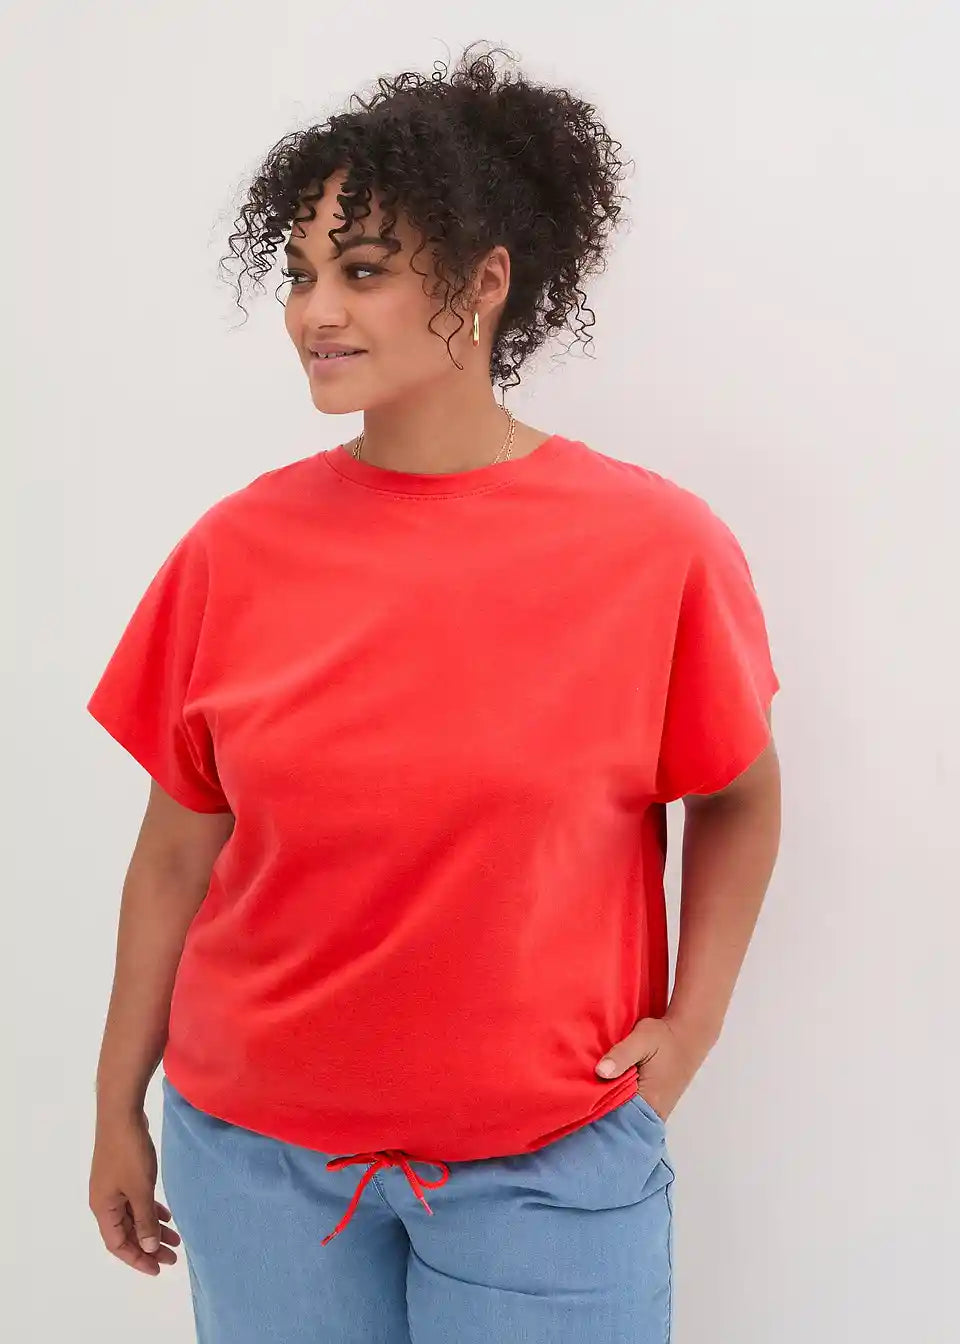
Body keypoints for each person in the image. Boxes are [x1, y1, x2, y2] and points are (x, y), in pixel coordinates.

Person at [86, 42, 781, 1344]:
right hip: (256, 1163)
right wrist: (116, 1105)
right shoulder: (234, 550)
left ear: (484, 281)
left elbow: (739, 795)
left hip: (549, 1164)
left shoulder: (655, 550)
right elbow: (177, 850)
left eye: (362, 271)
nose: (314, 311)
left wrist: (689, 1031)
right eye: (299, 274)